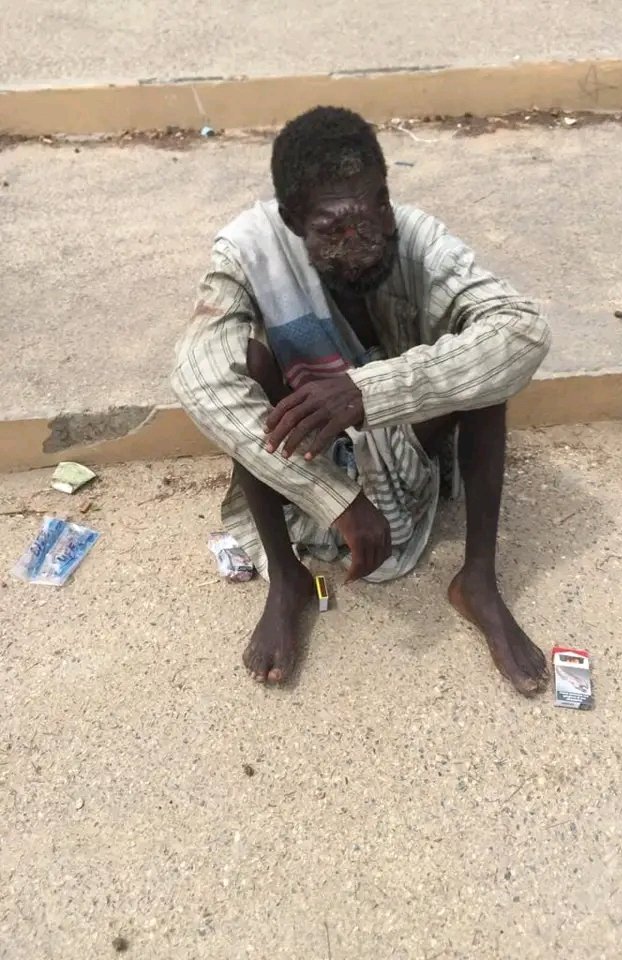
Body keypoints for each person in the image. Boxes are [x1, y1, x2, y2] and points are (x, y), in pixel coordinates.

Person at [172, 106, 551, 695]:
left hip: (404, 431)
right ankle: (287, 578)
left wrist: (367, 390)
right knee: (243, 365)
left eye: (374, 209)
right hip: (306, 447)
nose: (364, 240)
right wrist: (337, 497)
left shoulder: (418, 237)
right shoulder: (249, 250)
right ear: (294, 219)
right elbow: (198, 376)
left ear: (384, 194)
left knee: (485, 364)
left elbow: (522, 331)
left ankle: (478, 578)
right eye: (333, 229)